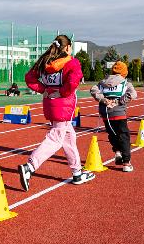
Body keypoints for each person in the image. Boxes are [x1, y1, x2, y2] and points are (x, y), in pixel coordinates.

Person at [17, 35, 97, 189]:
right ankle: (30, 166)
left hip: (50, 104)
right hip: (63, 106)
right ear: (67, 48)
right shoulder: (72, 63)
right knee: (55, 138)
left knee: (69, 137)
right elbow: (73, 82)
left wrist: (44, 89)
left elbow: (29, 78)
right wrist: (62, 92)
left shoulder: (44, 62)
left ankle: (77, 172)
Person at [90, 61, 137, 171]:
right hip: (119, 112)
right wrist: (119, 101)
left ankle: (117, 151)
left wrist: (104, 99)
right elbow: (133, 94)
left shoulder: (102, 82)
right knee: (124, 136)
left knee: (112, 133)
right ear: (124, 72)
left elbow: (93, 89)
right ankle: (126, 163)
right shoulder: (125, 83)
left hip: (105, 113)